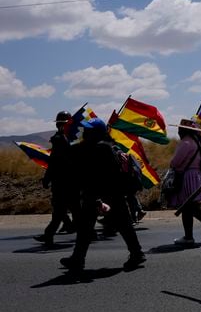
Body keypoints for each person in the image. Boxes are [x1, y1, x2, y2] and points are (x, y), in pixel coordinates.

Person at [60, 118, 146, 272]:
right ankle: (78, 258)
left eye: (88, 130)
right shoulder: (106, 147)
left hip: (102, 194)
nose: (85, 133)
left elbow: (96, 175)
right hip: (109, 194)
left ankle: (78, 259)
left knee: (93, 227)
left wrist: (98, 199)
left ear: (96, 133)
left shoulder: (100, 149)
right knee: (116, 226)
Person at [168, 119, 201, 245]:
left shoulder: (186, 142)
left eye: (180, 129)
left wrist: (172, 164)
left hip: (187, 176)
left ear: (184, 130)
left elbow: (176, 162)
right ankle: (189, 236)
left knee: (187, 206)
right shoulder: (198, 142)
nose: (178, 131)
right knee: (188, 207)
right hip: (197, 176)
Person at [34, 111, 79, 247]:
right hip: (68, 181)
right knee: (68, 209)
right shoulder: (67, 139)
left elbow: (54, 163)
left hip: (63, 182)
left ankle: (51, 235)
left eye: (61, 123)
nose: (59, 125)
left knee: (63, 209)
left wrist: (47, 178)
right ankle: (52, 234)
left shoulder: (60, 139)